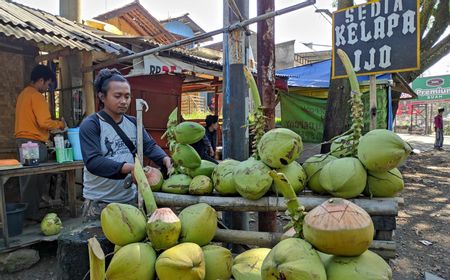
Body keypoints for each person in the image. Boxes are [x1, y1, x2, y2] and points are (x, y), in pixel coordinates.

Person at [79, 68, 172, 220]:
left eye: (127, 96)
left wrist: (165, 159)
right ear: (102, 96)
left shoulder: (133, 123)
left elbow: (149, 146)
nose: (124, 101)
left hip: (130, 200)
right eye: (117, 96)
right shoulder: (91, 124)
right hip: (100, 204)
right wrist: (130, 169)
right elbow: (93, 162)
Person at [15, 65, 66, 220]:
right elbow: (44, 122)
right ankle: (31, 214)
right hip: (33, 143)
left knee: (27, 178)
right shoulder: (36, 96)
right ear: (41, 80)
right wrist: (60, 125)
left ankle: (27, 212)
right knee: (34, 179)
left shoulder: (23, 94)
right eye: (48, 84)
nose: (47, 88)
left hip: (23, 141)